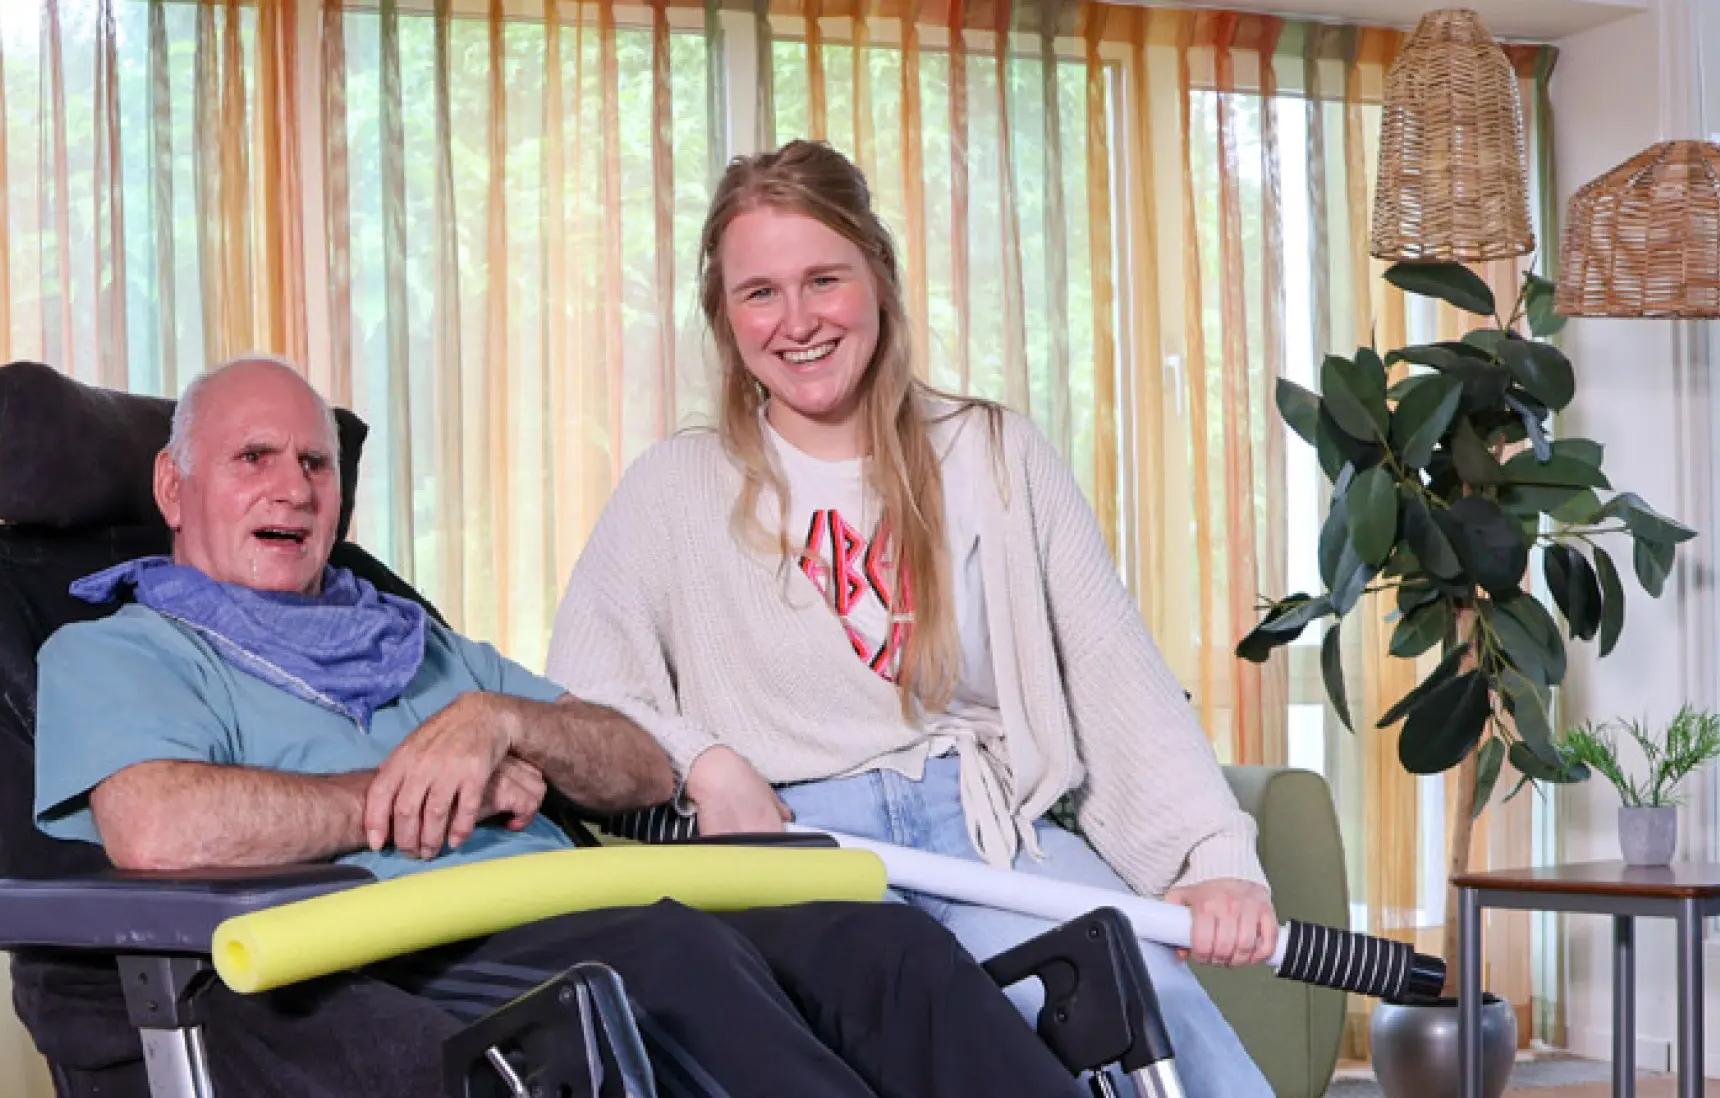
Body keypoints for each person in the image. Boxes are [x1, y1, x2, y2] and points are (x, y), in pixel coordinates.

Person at [30, 354, 1093, 1098]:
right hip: (403, 957)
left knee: (880, 944)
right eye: (252, 459)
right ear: (173, 486)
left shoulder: (421, 645)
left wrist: (503, 725)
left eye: (315, 464)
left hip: (589, 905)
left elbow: (632, 765)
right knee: (663, 962)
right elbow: (161, 829)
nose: (295, 490)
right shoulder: (121, 649)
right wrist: (416, 792)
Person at [545, 140, 1279, 1098]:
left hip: (990, 841)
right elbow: (581, 697)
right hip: (800, 859)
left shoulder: (995, 454)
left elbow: (1111, 675)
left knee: (1160, 1019)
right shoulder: (671, 490)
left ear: (879, 280)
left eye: (824, 280)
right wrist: (705, 763)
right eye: (759, 293)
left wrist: (1214, 859)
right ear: (724, 319)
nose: (797, 321)